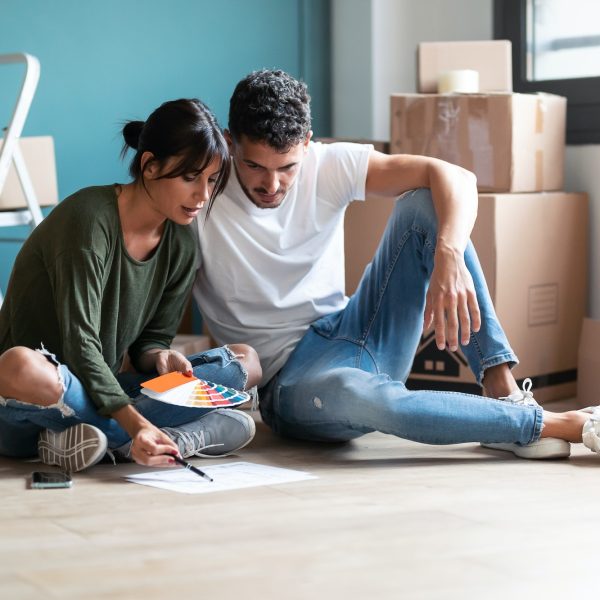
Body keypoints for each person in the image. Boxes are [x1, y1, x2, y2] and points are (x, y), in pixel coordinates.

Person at [192, 69, 600, 460]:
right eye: (255, 166)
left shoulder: (326, 162)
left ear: (307, 144)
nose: (272, 185)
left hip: (354, 329)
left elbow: (455, 177)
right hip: (292, 382)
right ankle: (559, 424)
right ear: (230, 143)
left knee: (426, 202)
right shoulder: (198, 197)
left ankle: (503, 390)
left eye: (288, 167)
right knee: (364, 397)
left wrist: (449, 255)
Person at [0, 98, 261, 473]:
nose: (202, 196)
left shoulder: (182, 242)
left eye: (211, 179)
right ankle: (165, 437)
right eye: (190, 177)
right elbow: (81, 345)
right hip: (33, 401)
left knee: (244, 363)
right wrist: (136, 423)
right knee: (21, 366)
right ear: (149, 165)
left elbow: (149, 341)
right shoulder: (89, 222)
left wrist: (159, 357)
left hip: (106, 390)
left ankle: (89, 439)